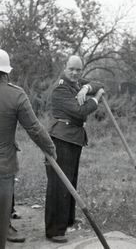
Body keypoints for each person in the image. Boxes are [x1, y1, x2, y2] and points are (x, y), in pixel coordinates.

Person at [0, 49, 57, 249]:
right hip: (3, 167)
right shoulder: (15, 95)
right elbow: (34, 128)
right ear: (6, 72)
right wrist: (50, 149)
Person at [45, 55, 104, 243]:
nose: (75, 73)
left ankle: (67, 220)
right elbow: (79, 111)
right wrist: (96, 99)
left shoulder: (77, 83)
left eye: (78, 70)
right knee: (59, 184)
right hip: (61, 139)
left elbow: (101, 83)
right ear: (65, 67)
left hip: (74, 139)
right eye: (71, 69)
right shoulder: (61, 88)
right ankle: (54, 230)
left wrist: (87, 87)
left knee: (71, 180)